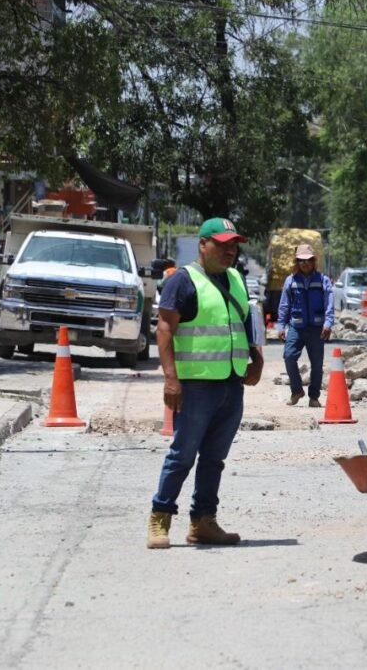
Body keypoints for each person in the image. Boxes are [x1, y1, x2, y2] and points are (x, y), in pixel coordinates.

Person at [147, 217, 264, 550]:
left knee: (214, 458)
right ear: (203, 244)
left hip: (231, 382)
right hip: (195, 385)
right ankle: (160, 517)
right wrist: (171, 379)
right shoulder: (182, 281)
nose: (231, 250)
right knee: (182, 455)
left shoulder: (236, 279)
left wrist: (255, 358)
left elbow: (243, 323)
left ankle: (203, 521)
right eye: (223, 244)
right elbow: (165, 329)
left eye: (234, 245)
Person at [276, 243, 335, 407]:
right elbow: (284, 305)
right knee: (289, 357)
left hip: (317, 328)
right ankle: (297, 391)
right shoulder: (290, 281)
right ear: (297, 262)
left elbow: (329, 303)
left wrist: (328, 322)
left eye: (308, 260)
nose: (305, 263)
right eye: (301, 260)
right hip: (296, 326)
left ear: (314, 261)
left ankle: (314, 397)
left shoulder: (323, 280)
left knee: (317, 364)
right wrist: (281, 326)